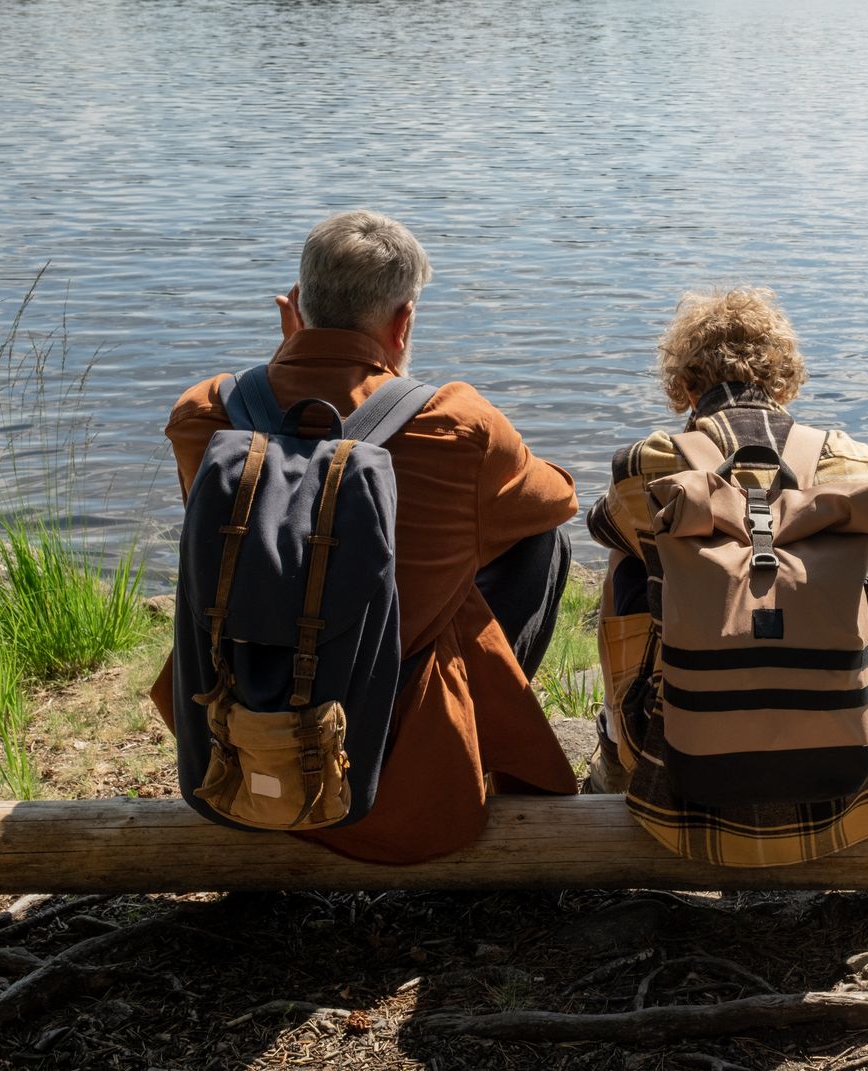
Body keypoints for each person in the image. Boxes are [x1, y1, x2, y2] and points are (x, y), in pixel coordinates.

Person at [150, 210, 580, 864]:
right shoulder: (454, 422)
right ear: (403, 321)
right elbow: (558, 498)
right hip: (393, 792)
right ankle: (475, 741)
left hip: (226, 758)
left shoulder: (202, 416)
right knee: (538, 543)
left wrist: (291, 364)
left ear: (293, 306)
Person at [586, 286, 868, 865]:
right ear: (783, 382)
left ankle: (623, 745)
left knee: (629, 555)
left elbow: (602, 522)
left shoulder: (648, 466)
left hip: (681, 790)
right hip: (858, 787)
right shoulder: (853, 463)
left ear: (686, 386)